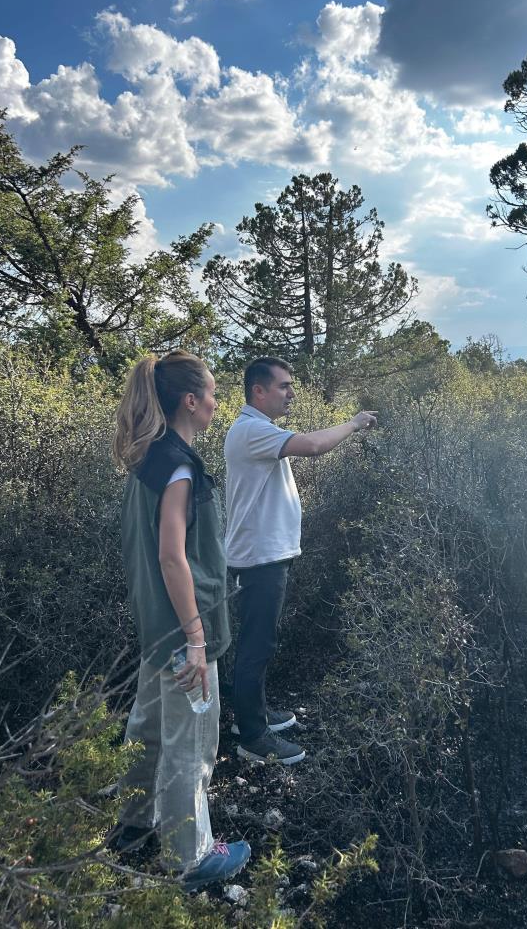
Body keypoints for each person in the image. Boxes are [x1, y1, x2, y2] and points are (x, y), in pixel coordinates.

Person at [110, 350, 249, 888]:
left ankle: (131, 825)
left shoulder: (148, 457)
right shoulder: (180, 467)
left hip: (154, 627)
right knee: (190, 745)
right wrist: (196, 637)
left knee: (147, 730)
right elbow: (172, 556)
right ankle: (188, 859)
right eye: (212, 393)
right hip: (185, 632)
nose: (216, 403)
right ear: (190, 401)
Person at [225, 356, 377, 764]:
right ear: (258, 391)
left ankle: (250, 716)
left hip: (265, 556)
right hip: (259, 559)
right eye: (283, 386)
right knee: (256, 646)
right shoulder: (251, 430)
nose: (291, 393)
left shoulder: (259, 430)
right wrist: (354, 422)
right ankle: (253, 737)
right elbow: (313, 446)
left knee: (260, 641)